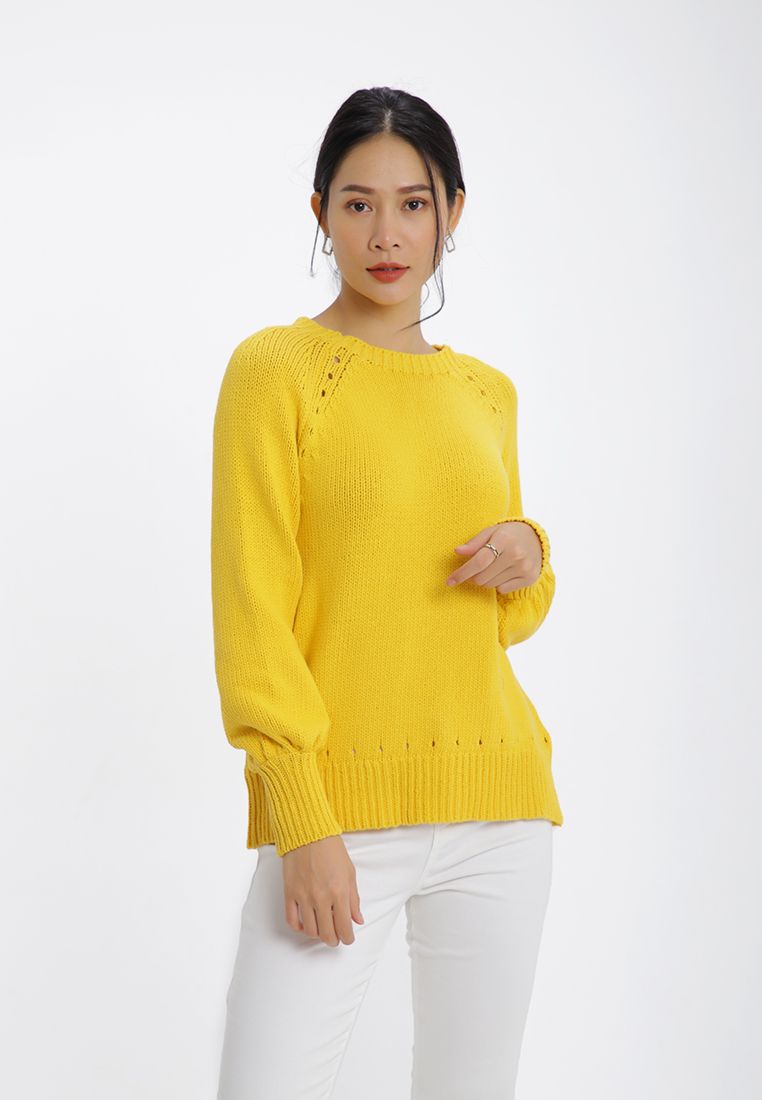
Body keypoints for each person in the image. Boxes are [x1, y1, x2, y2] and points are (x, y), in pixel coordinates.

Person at [210, 86, 564, 1100]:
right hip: (336, 812)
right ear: (320, 213)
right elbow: (252, 605)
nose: (386, 234)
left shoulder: (486, 392)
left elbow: (500, 610)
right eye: (358, 203)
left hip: (498, 805)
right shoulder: (276, 371)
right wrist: (301, 814)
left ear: (453, 211)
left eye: (413, 203)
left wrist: (530, 549)